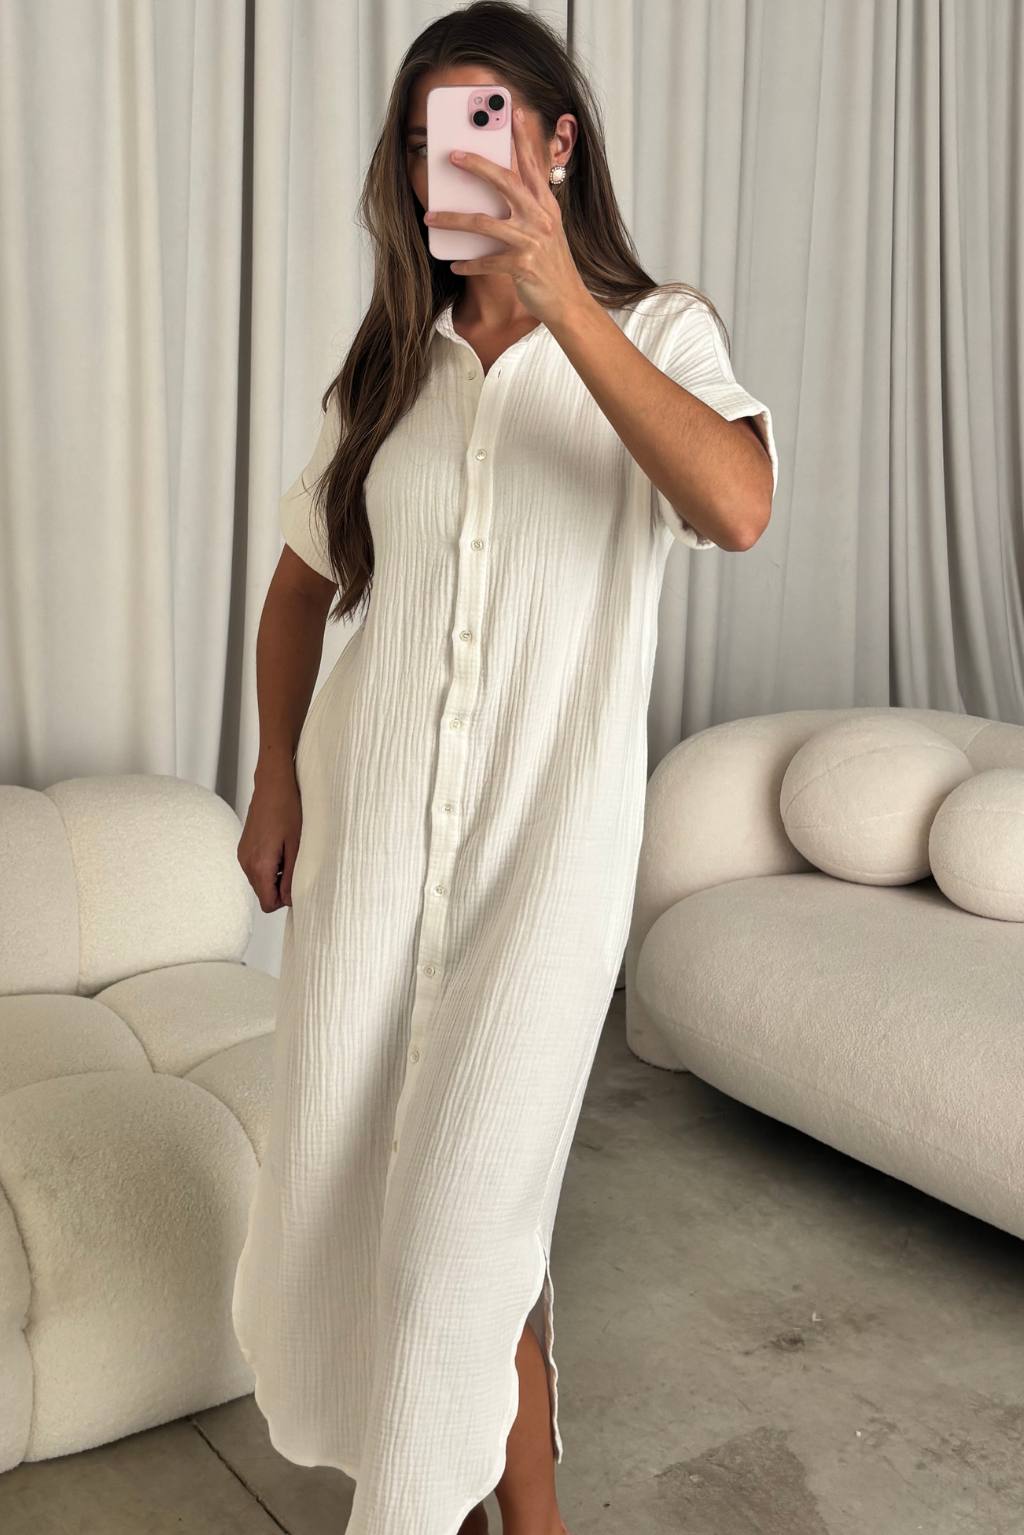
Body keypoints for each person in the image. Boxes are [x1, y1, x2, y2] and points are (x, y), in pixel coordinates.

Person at [233, 4, 777, 1534]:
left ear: (558, 144)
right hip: (369, 860)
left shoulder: (660, 333)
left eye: (482, 130)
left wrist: (561, 303)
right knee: (389, 1210)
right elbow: (299, 587)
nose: (449, 170)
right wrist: (275, 778)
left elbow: (736, 506)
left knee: (453, 1241)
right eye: (425, 145)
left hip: (545, 876)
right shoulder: (390, 367)